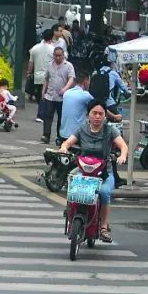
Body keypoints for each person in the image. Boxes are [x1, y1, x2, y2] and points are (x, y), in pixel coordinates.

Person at [58, 98, 129, 243]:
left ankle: (103, 227)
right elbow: (68, 142)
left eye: (100, 114)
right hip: (84, 171)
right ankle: (71, 212)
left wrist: (122, 155)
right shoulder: (82, 129)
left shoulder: (110, 130)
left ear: (105, 115)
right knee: (71, 183)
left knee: (104, 192)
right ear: (88, 114)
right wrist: (64, 148)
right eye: (94, 113)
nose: (97, 116)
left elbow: (123, 145)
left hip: (104, 173)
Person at [40, 46, 75, 144]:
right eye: (55, 56)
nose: (57, 58)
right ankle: (46, 135)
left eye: (59, 56)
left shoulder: (68, 66)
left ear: (63, 55)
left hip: (62, 97)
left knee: (61, 117)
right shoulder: (50, 65)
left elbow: (71, 78)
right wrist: (43, 91)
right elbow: (46, 79)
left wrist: (65, 89)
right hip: (50, 95)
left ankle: (60, 137)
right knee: (47, 115)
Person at [27, 29, 56, 117]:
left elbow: (31, 62)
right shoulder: (53, 49)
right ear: (52, 37)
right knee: (45, 96)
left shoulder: (34, 48)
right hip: (48, 77)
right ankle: (42, 114)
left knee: (39, 95)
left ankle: (42, 112)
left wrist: (28, 73)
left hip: (37, 76)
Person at [59, 69, 93, 143]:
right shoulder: (85, 95)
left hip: (63, 134)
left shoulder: (67, 93)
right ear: (85, 81)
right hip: (76, 137)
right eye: (89, 81)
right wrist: (114, 116)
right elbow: (99, 107)